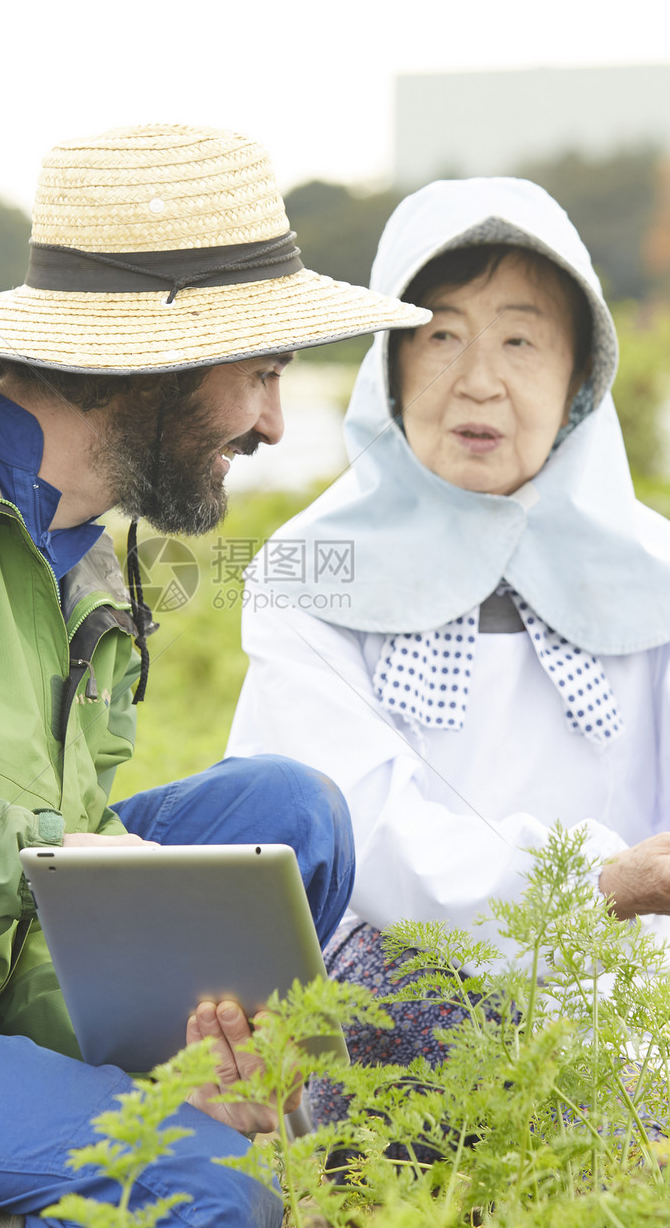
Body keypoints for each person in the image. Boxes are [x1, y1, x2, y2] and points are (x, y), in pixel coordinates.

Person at [0, 124, 428, 1227]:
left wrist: (182, 1036)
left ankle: (160, 1106)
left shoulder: (87, 562)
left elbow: (28, 914)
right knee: (207, 1179)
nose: (275, 424)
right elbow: (17, 863)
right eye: (262, 373)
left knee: (286, 810)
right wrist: (32, 856)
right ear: (154, 360)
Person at [227, 176, 670, 1126]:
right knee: (431, 1024)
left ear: (580, 376)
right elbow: (361, 840)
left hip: (640, 977)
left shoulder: (656, 571)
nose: (479, 380)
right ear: (388, 366)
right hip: (400, 979)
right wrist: (598, 885)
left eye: (519, 338)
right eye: (440, 335)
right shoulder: (311, 569)